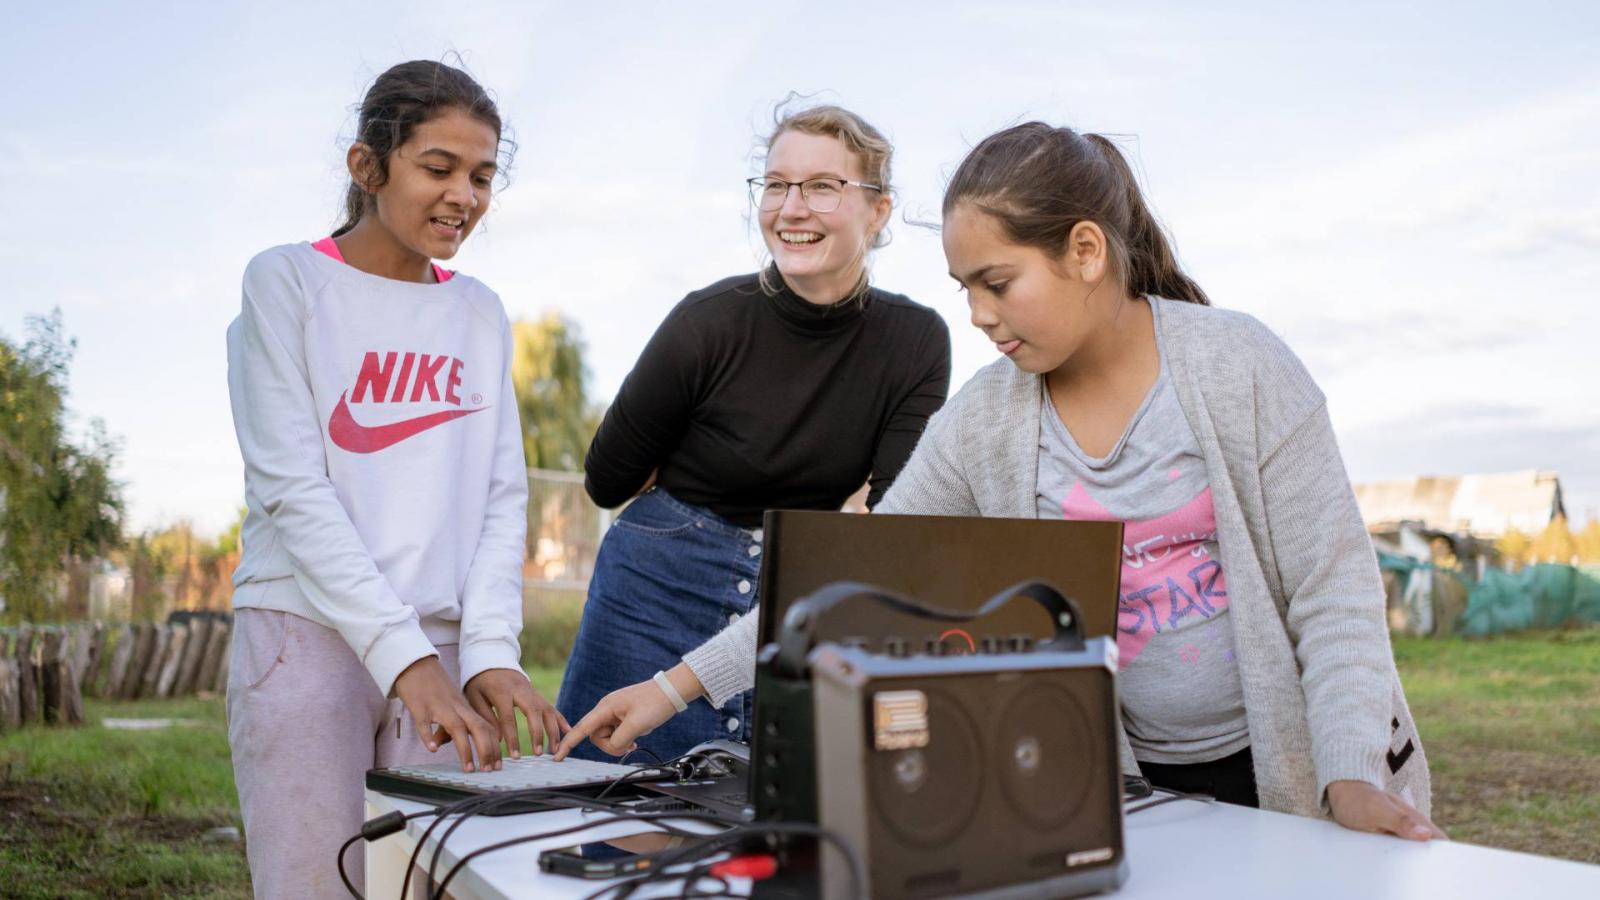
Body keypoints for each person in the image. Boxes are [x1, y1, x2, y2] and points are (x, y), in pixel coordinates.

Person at [555, 121, 1445, 844]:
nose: (976, 314)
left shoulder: (1238, 366)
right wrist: (675, 687)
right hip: (1133, 786)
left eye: (997, 282)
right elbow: (854, 570)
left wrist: (1351, 776)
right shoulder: (989, 418)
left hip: (1297, 770)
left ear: (1086, 252)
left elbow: (1333, 595)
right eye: (962, 287)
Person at [224, 60, 565, 898]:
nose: (465, 196)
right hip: (305, 635)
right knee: (315, 883)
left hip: (444, 651)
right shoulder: (287, 282)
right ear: (368, 167)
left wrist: (488, 652)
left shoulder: (478, 309)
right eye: (438, 168)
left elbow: (498, 497)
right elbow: (293, 491)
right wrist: (402, 657)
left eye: (483, 176)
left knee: (432, 882)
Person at [553, 103, 951, 763]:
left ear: (878, 211)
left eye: (823, 186)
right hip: (654, 588)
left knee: (772, 829)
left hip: (800, 591)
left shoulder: (915, 341)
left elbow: (890, 520)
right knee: (607, 818)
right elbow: (608, 480)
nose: (791, 207)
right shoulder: (706, 322)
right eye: (776, 184)